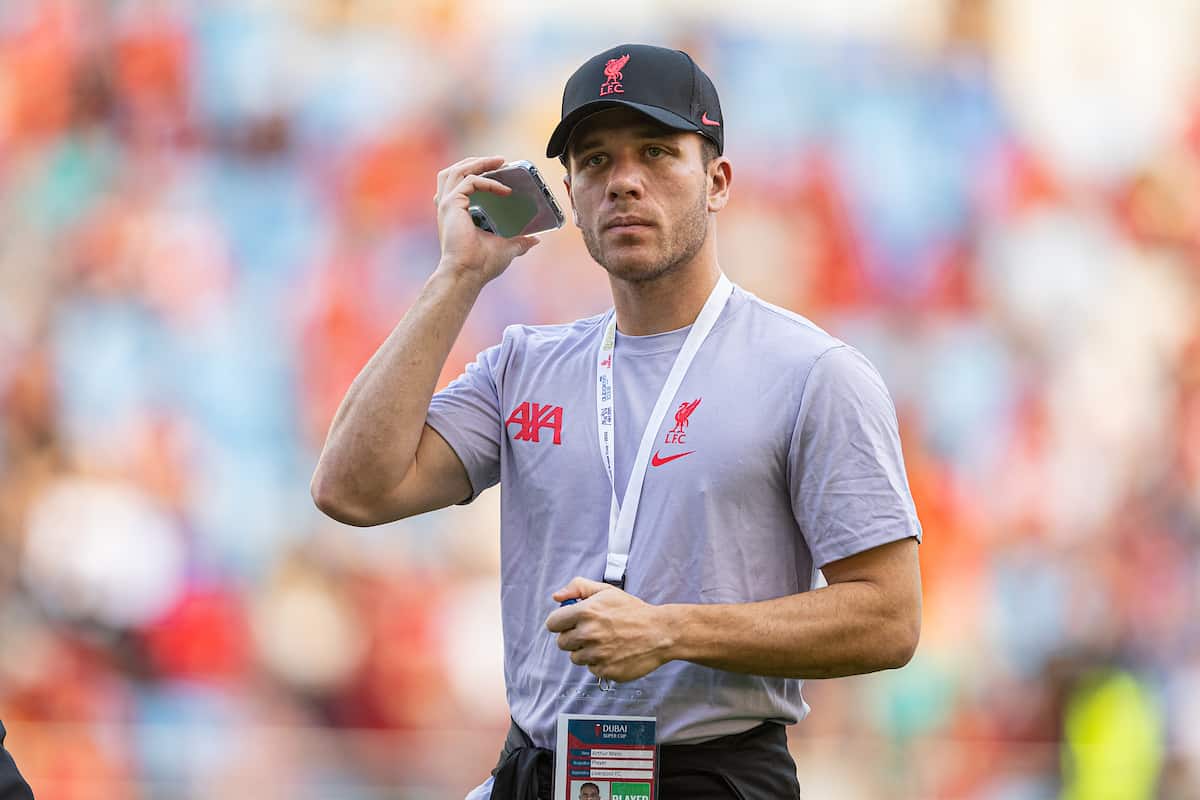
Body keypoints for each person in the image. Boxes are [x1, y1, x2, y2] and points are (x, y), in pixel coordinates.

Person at [311, 43, 923, 799]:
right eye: (595, 161)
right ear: (569, 193)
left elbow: (890, 618)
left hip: (712, 776)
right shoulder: (523, 364)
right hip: (540, 770)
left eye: (659, 153)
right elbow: (352, 489)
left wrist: (669, 632)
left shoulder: (813, 372)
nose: (624, 181)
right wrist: (457, 276)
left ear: (718, 181)